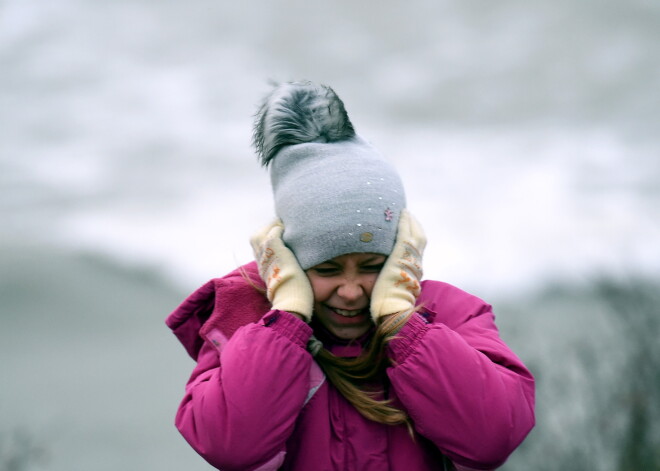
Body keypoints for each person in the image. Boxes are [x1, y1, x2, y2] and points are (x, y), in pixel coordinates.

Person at [166, 81, 535, 471]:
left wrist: (401, 321)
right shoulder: (243, 322)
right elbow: (232, 446)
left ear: (401, 255)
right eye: (327, 269)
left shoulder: (450, 316)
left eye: (372, 266)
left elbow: (492, 438)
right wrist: (288, 316)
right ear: (288, 259)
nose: (351, 290)